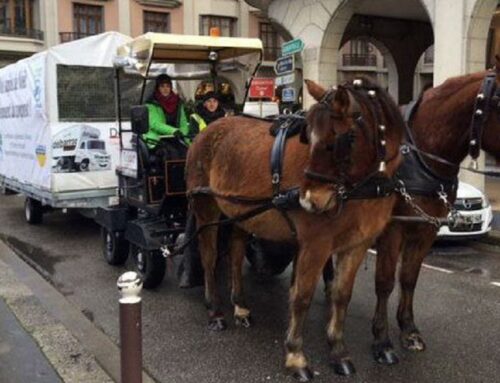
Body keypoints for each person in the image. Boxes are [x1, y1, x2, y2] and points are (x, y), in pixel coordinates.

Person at [144, 74, 189, 149]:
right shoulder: (151, 103)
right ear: (157, 88)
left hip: (176, 137)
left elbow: (183, 122)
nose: (165, 89)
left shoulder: (178, 102)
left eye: (168, 86)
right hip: (158, 138)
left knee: (187, 151)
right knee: (170, 153)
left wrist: (183, 134)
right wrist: (173, 131)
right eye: (162, 86)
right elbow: (155, 124)